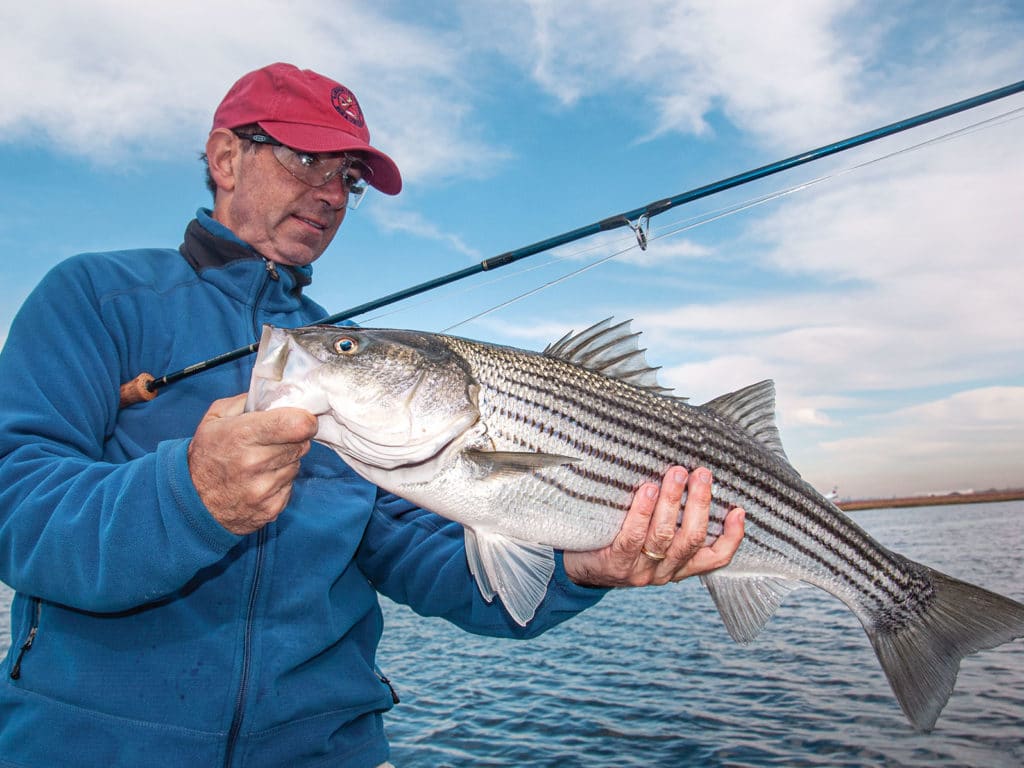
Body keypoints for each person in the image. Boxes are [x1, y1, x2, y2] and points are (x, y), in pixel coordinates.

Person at [0, 63, 745, 767]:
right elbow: (16, 510)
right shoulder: (94, 297)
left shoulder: (358, 375)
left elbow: (434, 562)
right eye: (306, 161)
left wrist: (581, 568)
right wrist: (190, 494)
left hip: (328, 750)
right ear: (226, 157)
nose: (331, 194)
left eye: (347, 179)